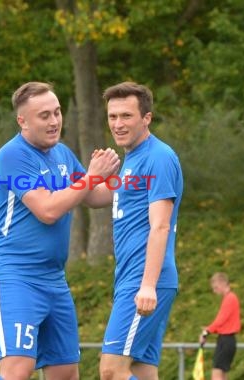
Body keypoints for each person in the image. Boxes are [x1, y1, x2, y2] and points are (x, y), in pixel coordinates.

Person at [0, 81, 120, 380]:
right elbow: (47, 210)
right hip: (14, 276)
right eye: (44, 115)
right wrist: (92, 176)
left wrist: (137, 178)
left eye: (57, 112)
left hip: (53, 279)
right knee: (18, 370)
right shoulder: (12, 155)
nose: (55, 121)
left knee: (65, 371)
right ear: (23, 120)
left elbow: (94, 195)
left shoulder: (62, 153)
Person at [99, 82, 184, 380]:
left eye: (126, 116)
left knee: (111, 370)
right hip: (131, 278)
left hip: (145, 280)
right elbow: (95, 196)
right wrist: (87, 177)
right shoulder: (130, 161)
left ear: (146, 118)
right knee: (141, 370)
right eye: (112, 117)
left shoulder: (158, 157)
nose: (118, 124)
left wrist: (147, 285)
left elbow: (160, 224)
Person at [199, 272, 241, 380]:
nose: (215, 291)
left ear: (223, 284)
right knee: (222, 375)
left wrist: (206, 332)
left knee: (216, 374)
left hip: (226, 340)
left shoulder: (230, 298)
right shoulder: (229, 298)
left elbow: (220, 320)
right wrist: (209, 329)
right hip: (226, 340)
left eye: (216, 287)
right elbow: (222, 322)